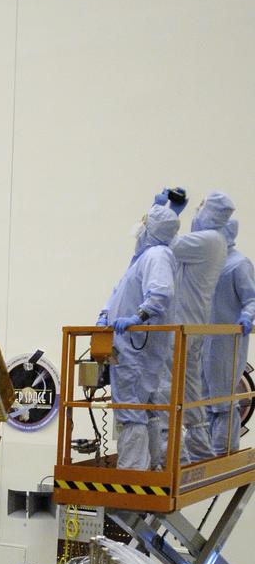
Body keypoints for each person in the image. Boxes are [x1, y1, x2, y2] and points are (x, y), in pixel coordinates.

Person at [151, 191, 234, 466]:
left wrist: (165, 211)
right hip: (192, 324)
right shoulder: (215, 241)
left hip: (182, 328)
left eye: (200, 207)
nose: (196, 212)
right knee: (189, 391)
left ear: (211, 213)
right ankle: (195, 454)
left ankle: (168, 456)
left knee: (166, 387)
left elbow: (165, 240)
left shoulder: (208, 240)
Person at [97, 204, 180, 471]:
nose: (139, 226)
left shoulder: (157, 255)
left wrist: (139, 317)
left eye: (145, 221)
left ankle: (132, 474)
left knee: (131, 410)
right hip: (129, 344)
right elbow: (120, 291)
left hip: (136, 347)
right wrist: (105, 313)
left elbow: (160, 293)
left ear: (152, 228)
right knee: (142, 409)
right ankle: (149, 467)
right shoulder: (145, 257)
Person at [204, 217, 255, 455]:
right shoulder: (209, 265)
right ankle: (203, 456)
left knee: (223, 402)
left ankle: (222, 454)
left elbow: (251, 299)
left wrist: (247, 316)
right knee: (202, 402)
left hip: (226, 344)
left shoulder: (239, 264)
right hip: (202, 342)